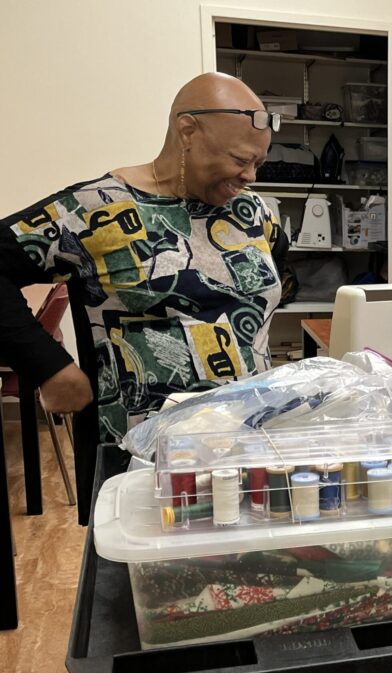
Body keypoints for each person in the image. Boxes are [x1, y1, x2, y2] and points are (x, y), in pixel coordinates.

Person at [0, 73, 287, 521]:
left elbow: (271, 282)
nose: (249, 176)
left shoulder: (255, 212)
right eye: (238, 159)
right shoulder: (94, 209)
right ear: (187, 131)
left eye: (258, 164)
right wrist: (49, 367)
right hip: (140, 460)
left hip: (251, 450)